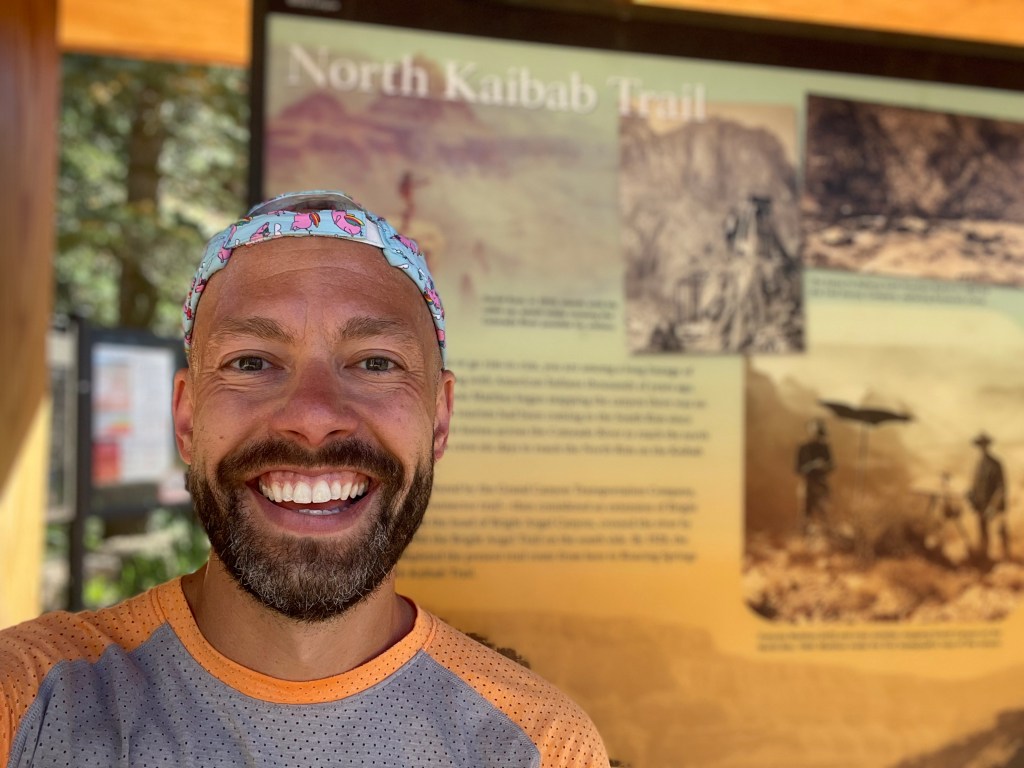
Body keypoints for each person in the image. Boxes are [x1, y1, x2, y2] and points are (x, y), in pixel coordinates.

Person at [0, 190, 609, 766]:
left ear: (439, 419)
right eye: (252, 363)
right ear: (186, 419)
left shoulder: (536, 747)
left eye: (375, 363)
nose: (313, 416)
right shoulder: (29, 705)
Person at [967, 432, 1010, 561]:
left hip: (995, 506)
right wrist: (971, 496)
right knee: (983, 532)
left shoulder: (996, 464)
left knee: (1000, 531)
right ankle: (985, 558)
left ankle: (1006, 558)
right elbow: (975, 486)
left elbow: (1001, 488)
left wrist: (993, 506)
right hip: (981, 505)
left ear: (988, 445)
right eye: (980, 445)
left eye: (984, 444)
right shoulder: (979, 465)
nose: (982, 447)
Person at [795, 418, 834, 535]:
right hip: (807, 483)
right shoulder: (803, 447)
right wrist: (813, 465)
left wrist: (824, 466)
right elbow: (798, 469)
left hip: (821, 483)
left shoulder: (825, 447)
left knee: (824, 513)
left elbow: (832, 466)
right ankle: (803, 538)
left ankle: (825, 537)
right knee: (806, 513)